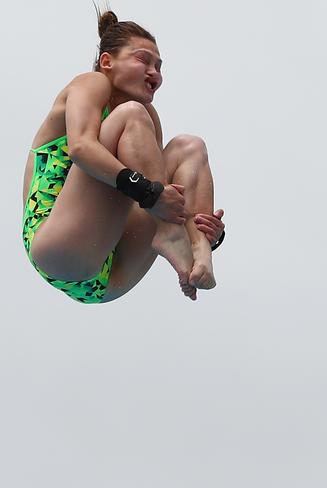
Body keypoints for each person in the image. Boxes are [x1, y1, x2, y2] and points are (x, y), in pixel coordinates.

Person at [21, 9, 225, 303]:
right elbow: (80, 147)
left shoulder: (146, 118)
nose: (154, 72)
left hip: (111, 278)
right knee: (131, 116)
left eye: (159, 66)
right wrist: (152, 195)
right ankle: (172, 232)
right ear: (107, 62)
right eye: (143, 60)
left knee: (189, 146)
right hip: (58, 248)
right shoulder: (91, 85)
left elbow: (157, 192)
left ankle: (199, 248)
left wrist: (203, 228)